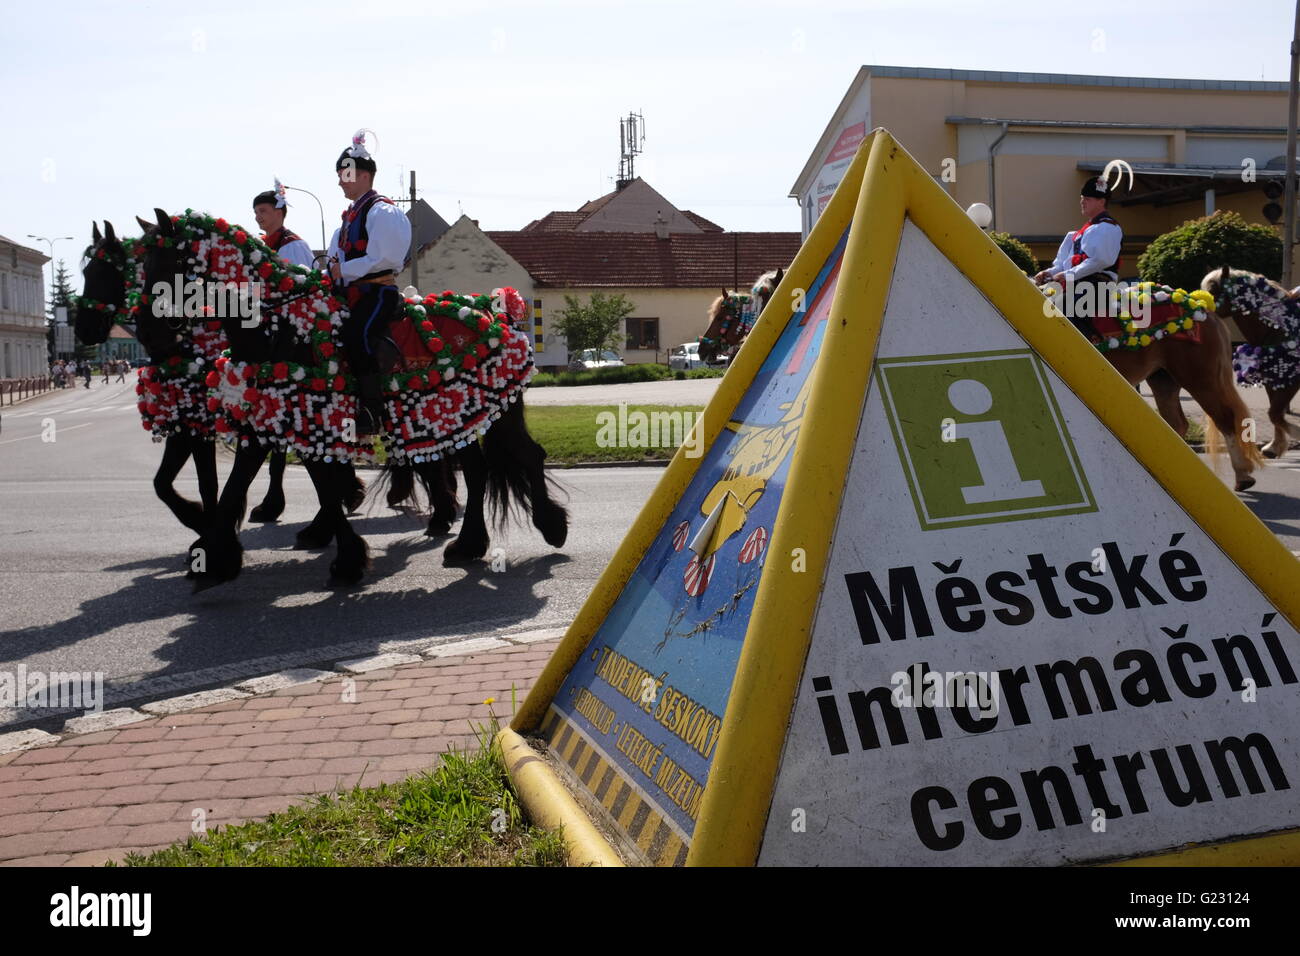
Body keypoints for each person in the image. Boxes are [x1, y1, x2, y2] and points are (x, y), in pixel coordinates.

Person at [326, 130, 411, 435]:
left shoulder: (382, 211)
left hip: (377, 291)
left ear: (363, 175)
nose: (340, 181)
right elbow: (336, 260)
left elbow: (381, 258)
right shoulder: (347, 220)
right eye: (339, 174)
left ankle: (372, 410)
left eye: (344, 174)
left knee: (356, 335)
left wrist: (342, 271)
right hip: (350, 292)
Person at [1034, 159, 1131, 340]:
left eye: (1087, 199)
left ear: (1102, 202)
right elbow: (1061, 264)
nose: (1082, 202)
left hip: (1098, 284)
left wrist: (1068, 275)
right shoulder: (1076, 234)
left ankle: (1090, 345)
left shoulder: (1108, 227)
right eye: (1081, 198)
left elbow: (1100, 261)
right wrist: (1047, 273)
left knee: (1068, 309)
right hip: (1077, 282)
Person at [254, 178, 316, 269]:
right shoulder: (260, 244)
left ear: (278, 213)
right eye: (255, 212)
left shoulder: (293, 245)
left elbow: (301, 280)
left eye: (262, 211)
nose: (257, 217)